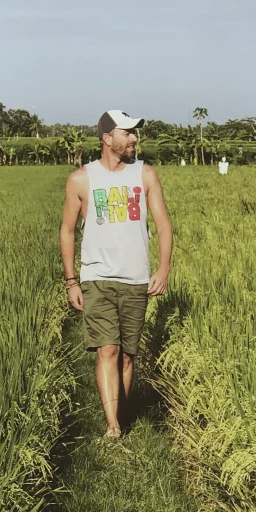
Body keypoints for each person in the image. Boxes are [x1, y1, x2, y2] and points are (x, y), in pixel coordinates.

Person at [60, 110, 173, 439]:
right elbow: (67, 231)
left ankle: (118, 412)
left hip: (136, 278)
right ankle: (113, 426)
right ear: (107, 139)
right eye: (127, 133)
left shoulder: (145, 175)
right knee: (107, 349)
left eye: (134, 132)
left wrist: (163, 269)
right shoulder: (81, 179)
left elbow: (164, 226)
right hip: (96, 278)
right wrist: (71, 280)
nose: (134, 138)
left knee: (126, 355)